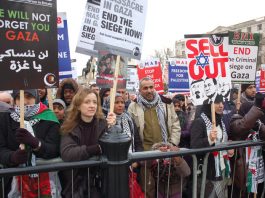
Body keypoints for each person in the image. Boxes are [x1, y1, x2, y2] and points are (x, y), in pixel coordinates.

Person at [0, 89, 60, 197]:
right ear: (14, 100)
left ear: (36, 98)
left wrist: (37, 144)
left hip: (45, 181)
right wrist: (12, 157)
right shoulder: (5, 118)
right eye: (20, 98)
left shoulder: (49, 117)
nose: (25, 102)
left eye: (29, 97)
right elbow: (1, 149)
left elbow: (55, 149)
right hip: (13, 183)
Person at [128, 77, 181, 198]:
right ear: (140, 90)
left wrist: (172, 145)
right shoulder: (133, 106)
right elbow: (132, 132)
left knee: (167, 190)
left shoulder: (167, 103)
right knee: (148, 190)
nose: (149, 90)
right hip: (145, 156)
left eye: (151, 87)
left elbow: (175, 125)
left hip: (166, 154)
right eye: (145, 88)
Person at [60, 88, 116, 198]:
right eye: (87, 102)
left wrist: (112, 128)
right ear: (78, 105)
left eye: (95, 102)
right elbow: (67, 153)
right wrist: (95, 149)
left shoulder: (103, 124)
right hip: (76, 184)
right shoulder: (69, 126)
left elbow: (112, 147)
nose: (92, 105)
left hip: (99, 182)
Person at [190, 95, 234, 197]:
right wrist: (209, 139)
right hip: (208, 173)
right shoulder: (199, 122)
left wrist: (228, 148)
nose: (221, 105)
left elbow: (222, 141)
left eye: (222, 103)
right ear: (208, 104)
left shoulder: (221, 121)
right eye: (217, 103)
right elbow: (194, 146)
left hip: (222, 169)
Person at [230, 92, 265, 197]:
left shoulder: (259, 124)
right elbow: (241, 127)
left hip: (258, 170)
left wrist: (260, 126)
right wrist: (256, 108)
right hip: (244, 170)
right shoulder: (235, 120)